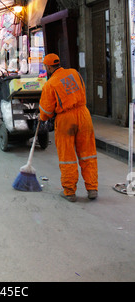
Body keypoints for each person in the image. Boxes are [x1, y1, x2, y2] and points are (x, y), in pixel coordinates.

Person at [39, 53, 98, 202]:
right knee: (88, 153)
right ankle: (92, 188)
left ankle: (70, 191)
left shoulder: (50, 84)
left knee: (67, 157)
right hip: (84, 115)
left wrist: (42, 118)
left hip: (66, 119)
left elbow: (46, 111)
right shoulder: (74, 73)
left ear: (49, 67)